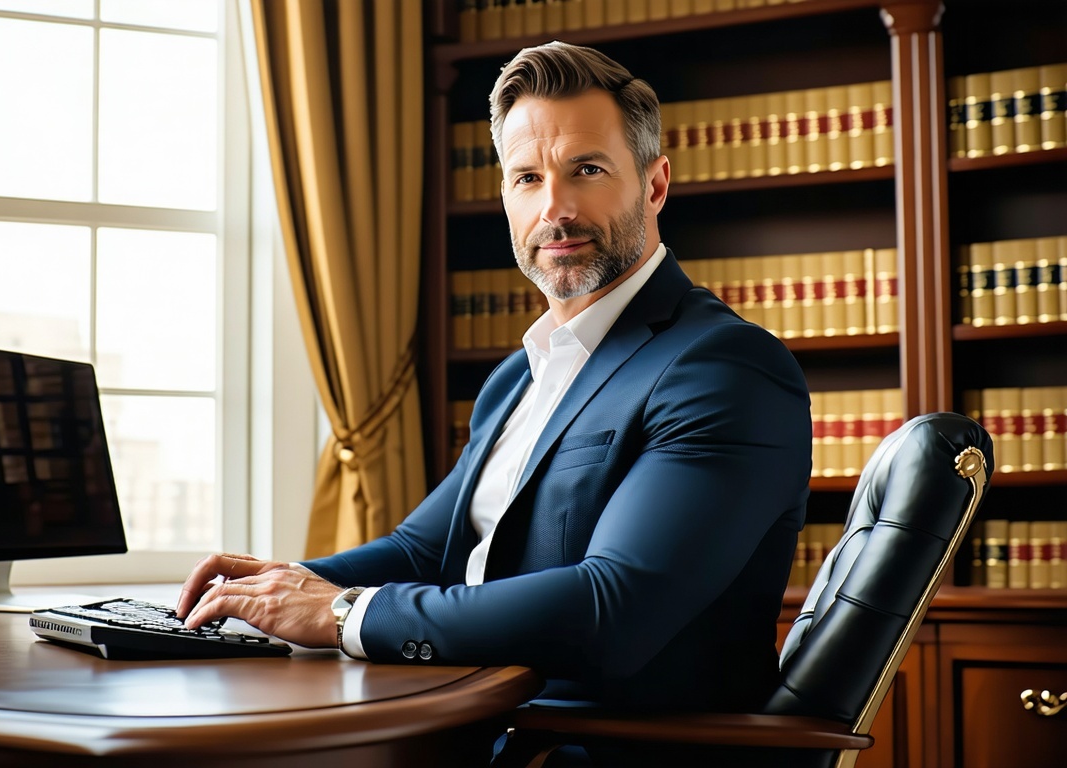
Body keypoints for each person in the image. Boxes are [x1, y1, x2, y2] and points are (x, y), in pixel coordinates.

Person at [178, 39, 811, 730]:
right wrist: (269, 592)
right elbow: (426, 551)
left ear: (655, 185)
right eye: (528, 178)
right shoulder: (518, 376)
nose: (556, 208)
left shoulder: (725, 368)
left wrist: (337, 612)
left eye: (587, 170)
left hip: (590, 745)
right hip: (479, 721)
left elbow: (613, 607)